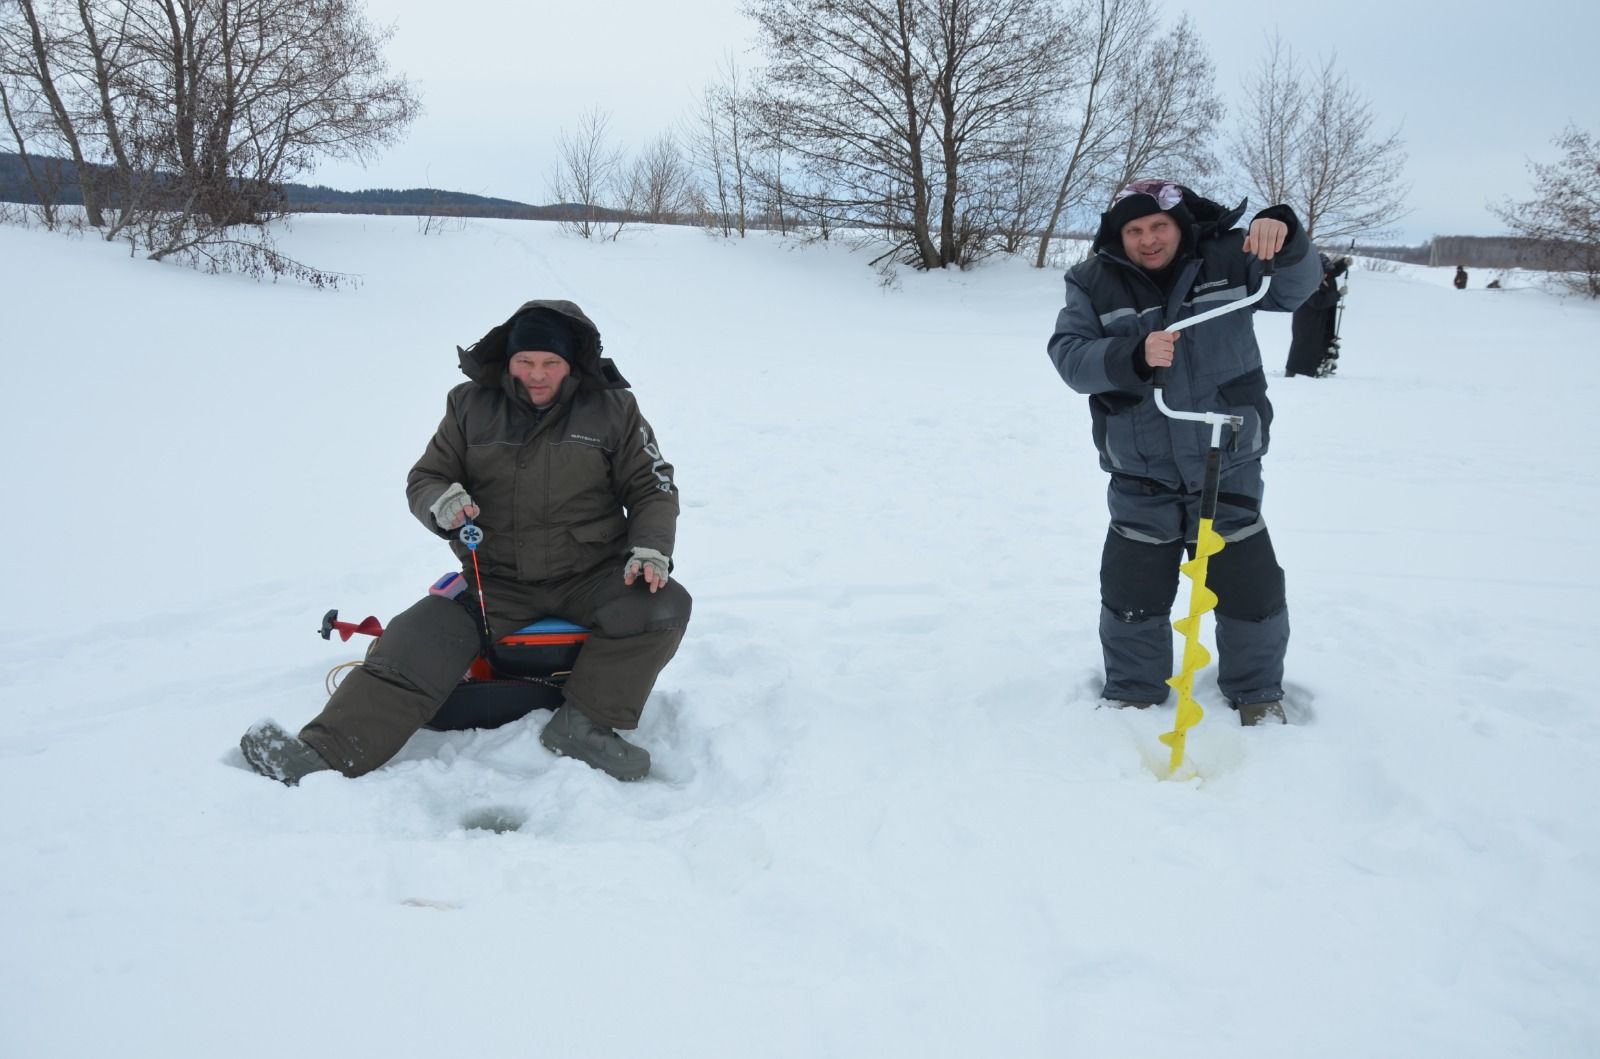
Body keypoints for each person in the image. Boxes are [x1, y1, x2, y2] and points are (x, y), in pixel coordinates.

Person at [239, 300, 691, 783]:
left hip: (592, 576)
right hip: (494, 580)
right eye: (525, 362)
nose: (537, 375)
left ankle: (584, 725)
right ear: (510, 361)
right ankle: (324, 754)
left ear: (571, 364)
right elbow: (427, 477)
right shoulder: (470, 405)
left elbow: (652, 485)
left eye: (550, 364)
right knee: (415, 636)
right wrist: (441, 502)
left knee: (661, 606)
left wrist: (650, 547)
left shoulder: (613, 409)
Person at [1045, 179, 1321, 726]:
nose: (1148, 240)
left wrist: (1285, 236)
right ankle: (1134, 694)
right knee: (1133, 592)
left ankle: (1257, 694)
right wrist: (1134, 354)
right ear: (1117, 234)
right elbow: (1070, 357)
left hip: (1228, 457)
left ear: (1180, 225)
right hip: (1140, 468)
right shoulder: (1092, 282)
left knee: (1250, 587)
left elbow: (1296, 289)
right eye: (1134, 230)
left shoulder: (1228, 255)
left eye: (1158, 227)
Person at [1285, 254, 1350, 378]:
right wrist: (1338, 294)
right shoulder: (1307, 281)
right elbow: (1317, 302)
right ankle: (1291, 372)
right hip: (1306, 322)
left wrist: (1343, 264)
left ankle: (1315, 369)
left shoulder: (1323, 275)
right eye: (1324, 272)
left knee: (1318, 345)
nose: (1326, 275)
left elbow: (1332, 272)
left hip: (1320, 320)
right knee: (1302, 346)